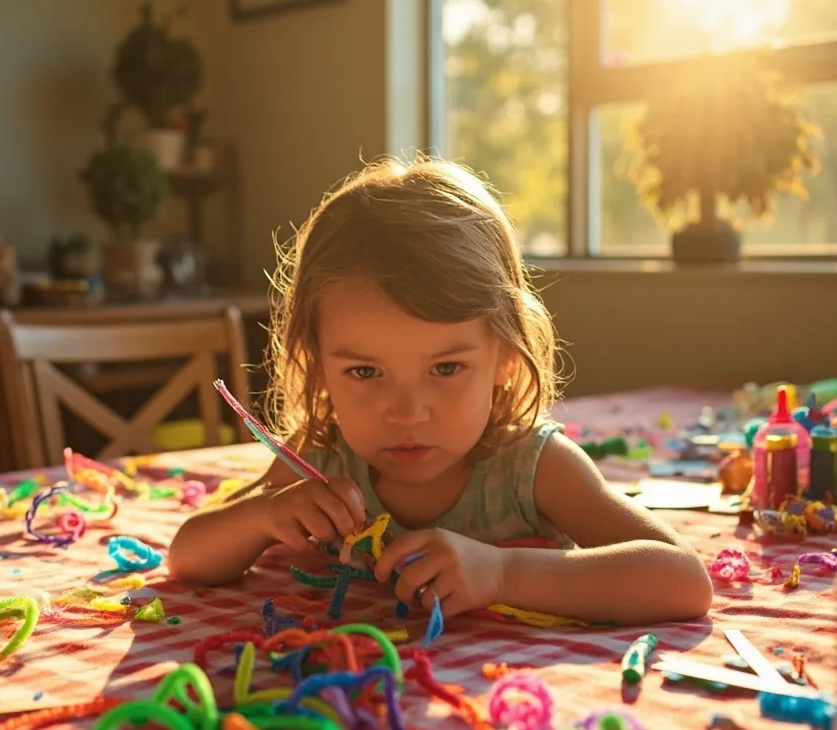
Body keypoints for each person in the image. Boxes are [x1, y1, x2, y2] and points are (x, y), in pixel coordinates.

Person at [169, 157, 712, 625]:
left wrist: (502, 573)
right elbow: (188, 556)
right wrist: (261, 516)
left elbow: (683, 580)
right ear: (317, 364)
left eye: (446, 368)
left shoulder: (530, 468)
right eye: (365, 372)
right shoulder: (323, 461)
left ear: (502, 353)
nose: (407, 413)